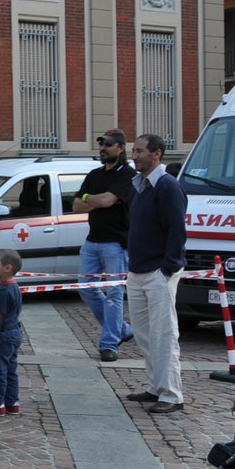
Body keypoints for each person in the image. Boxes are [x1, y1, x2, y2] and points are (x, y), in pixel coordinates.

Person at [124, 133, 188, 414]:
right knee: (144, 334)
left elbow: (177, 230)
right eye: (134, 151)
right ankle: (155, 386)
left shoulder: (167, 186)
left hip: (158, 271)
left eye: (139, 151)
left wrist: (168, 267)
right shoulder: (139, 185)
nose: (135, 156)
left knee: (164, 333)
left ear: (157, 154)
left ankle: (172, 394)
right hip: (137, 270)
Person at [73, 129, 137, 361]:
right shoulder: (94, 174)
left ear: (120, 148)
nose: (103, 148)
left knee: (114, 294)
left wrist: (91, 198)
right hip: (92, 240)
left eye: (108, 144)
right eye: (101, 144)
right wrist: (96, 200)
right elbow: (76, 205)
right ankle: (122, 330)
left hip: (116, 243)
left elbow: (108, 200)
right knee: (86, 289)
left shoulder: (128, 174)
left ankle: (109, 344)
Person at [0, 249, 25, 416]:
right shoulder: (14, 286)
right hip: (15, 332)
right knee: (11, 369)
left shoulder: (3, 291)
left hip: (4, 334)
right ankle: (12, 402)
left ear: (7, 268)